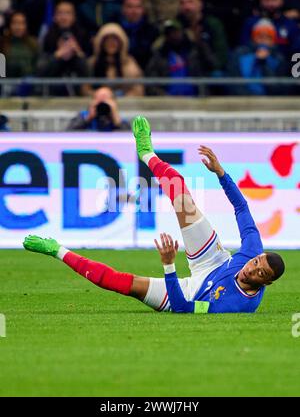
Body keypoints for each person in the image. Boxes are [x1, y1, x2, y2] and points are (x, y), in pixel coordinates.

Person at [23, 116, 285, 314]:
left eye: (260, 273)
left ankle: (56, 249)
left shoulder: (236, 305)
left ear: (267, 284)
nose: (251, 269)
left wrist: (168, 264)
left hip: (187, 293)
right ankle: (147, 152)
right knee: (181, 193)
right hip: (214, 260)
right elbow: (241, 208)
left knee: (119, 282)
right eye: (256, 263)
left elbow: (183, 308)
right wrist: (221, 173)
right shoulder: (252, 249)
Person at [146, 19, 215, 96]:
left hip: (195, 100)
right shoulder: (158, 57)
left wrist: (200, 43)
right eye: (169, 33)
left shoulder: (194, 52)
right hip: (169, 102)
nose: (173, 35)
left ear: (183, 32)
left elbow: (212, 64)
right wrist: (165, 97)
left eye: (176, 31)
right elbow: (151, 84)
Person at [37, 1, 90, 96]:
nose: (64, 17)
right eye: (60, 13)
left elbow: (89, 72)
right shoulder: (48, 37)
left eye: (68, 13)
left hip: (78, 92)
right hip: (51, 92)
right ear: (54, 17)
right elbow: (41, 72)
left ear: (74, 17)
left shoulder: (83, 36)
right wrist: (57, 55)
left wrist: (78, 53)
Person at [227, 18, 288, 96]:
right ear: (253, 38)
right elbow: (234, 82)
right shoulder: (239, 54)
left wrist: (263, 63)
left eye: (268, 37)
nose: (263, 41)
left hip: (271, 102)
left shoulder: (279, 59)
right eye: (260, 37)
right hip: (244, 100)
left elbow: (276, 89)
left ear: (273, 41)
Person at [90, 23, 144, 97]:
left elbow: (137, 90)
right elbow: (85, 89)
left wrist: (122, 99)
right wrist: (101, 96)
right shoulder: (92, 63)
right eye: (108, 40)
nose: (111, 43)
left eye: (115, 40)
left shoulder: (130, 64)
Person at [176, 0, 229, 73]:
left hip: (211, 70)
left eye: (190, 2)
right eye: (182, 3)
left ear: (200, 4)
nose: (186, 7)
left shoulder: (212, 24)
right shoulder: (177, 25)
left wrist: (200, 41)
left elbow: (221, 58)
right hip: (184, 70)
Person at [115, 0, 159, 70]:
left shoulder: (152, 31)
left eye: (138, 7)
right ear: (123, 9)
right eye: (130, 7)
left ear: (143, 9)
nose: (134, 11)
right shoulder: (115, 29)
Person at [0, 11, 38, 77]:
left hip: (28, 81)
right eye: (14, 23)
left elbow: (37, 65)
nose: (18, 27)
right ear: (9, 25)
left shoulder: (33, 43)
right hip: (8, 81)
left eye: (21, 23)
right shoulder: (2, 42)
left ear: (26, 25)